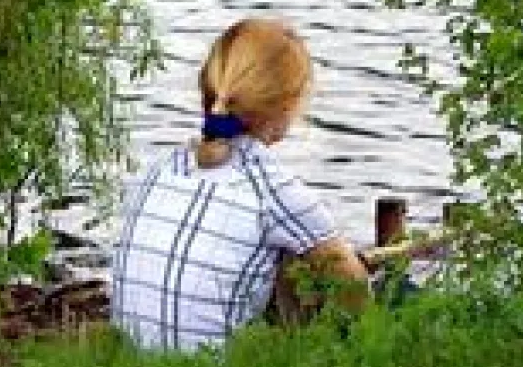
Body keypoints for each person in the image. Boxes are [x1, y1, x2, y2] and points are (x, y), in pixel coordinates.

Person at [110, 18, 372, 352]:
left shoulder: (160, 169)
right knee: (305, 256)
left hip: (128, 356)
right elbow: (353, 288)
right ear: (285, 107)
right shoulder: (270, 184)